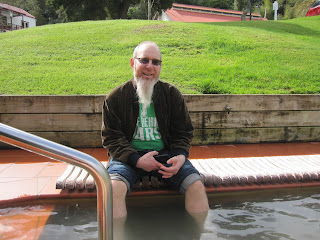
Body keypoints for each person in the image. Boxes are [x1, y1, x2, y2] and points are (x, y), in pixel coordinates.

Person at [102, 41, 209, 219]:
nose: (149, 67)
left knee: (196, 186)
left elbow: (183, 131)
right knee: (113, 189)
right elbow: (111, 138)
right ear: (132, 63)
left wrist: (180, 154)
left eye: (155, 62)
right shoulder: (116, 97)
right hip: (128, 158)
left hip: (166, 156)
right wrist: (136, 159)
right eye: (144, 60)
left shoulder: (171, 94)